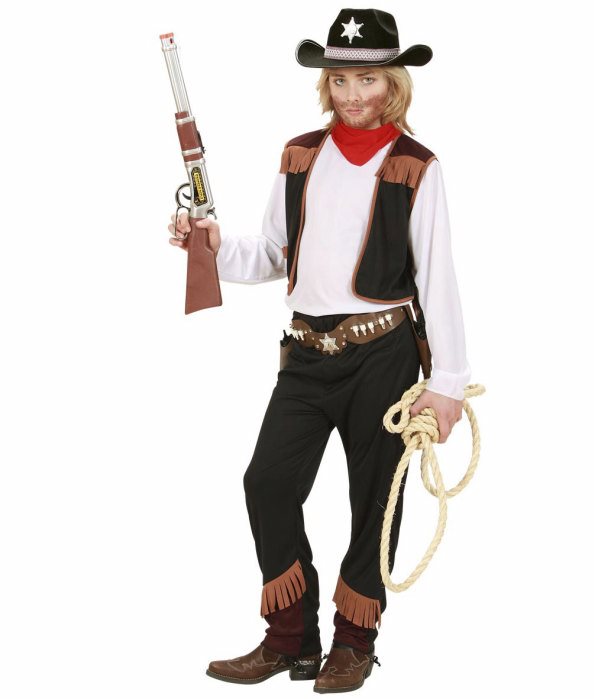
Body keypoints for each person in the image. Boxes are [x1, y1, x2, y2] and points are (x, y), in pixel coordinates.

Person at [168, 8, 471, 693]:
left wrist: (447, 381)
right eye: (340, 80)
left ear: (393, 84)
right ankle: (290, 639)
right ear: (325, 84)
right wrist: (212, 246)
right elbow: (275, 253)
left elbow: (437, 276)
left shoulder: (417, 167)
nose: (353, 94)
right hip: (305, 354)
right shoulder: (300, 155)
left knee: (375, 501)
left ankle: (354, 643)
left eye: (368, 79)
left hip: (384, 356)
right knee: (267, 483)